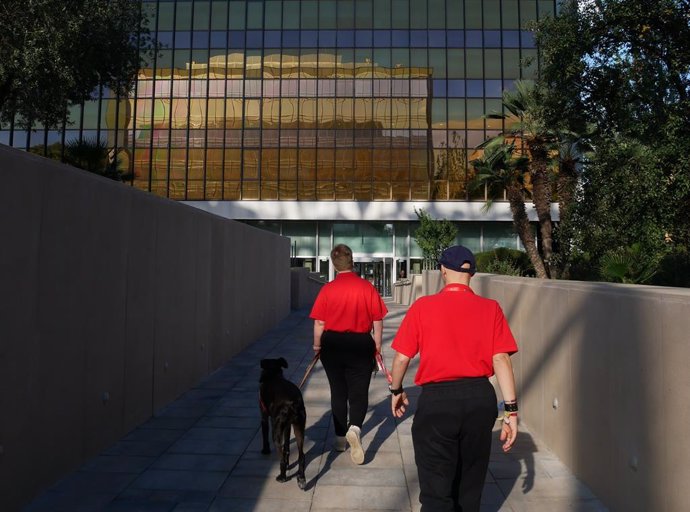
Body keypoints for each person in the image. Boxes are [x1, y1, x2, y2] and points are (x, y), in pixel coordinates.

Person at [389, 245, 518, 512]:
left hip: (438, 402)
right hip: (479, 398)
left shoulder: (423, 306)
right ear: (471, 274)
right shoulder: (490, 308)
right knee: (470, 489)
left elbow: (402, 358)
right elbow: (501, 359)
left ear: (443, 270)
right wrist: (511, 411)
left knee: (437, 490)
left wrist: (396, 389)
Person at [310, 244, 388, 464]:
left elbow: (319, 322)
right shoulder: (366, 287)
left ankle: (339, 438)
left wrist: (317, 346)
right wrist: (378, 345)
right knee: (359, 391)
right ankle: (355, 428)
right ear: (352, 261)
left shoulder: (328, 289)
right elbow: (377, 319)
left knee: (338, 390)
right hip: (360, 343)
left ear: (334, 265)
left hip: (332, 344)